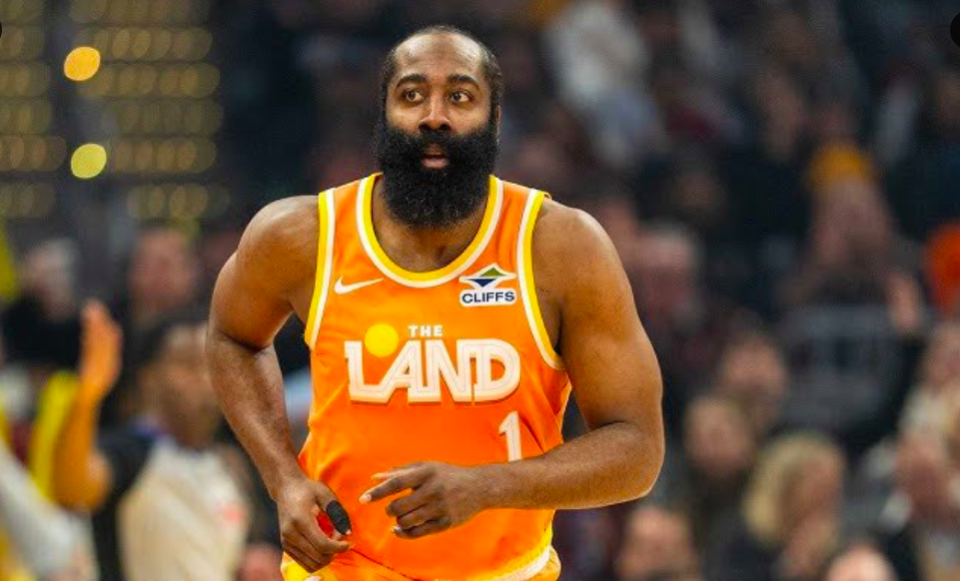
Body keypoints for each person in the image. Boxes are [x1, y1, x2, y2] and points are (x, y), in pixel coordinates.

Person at [207, 24, 665, 581]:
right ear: (383, 114)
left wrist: (487, 486)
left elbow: (637, 450)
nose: (435, 116)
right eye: (412, 94)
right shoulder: (302, 235)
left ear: (495, 119)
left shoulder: (561, 246)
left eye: (461, 96)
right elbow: (232, 336)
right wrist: (283, 479)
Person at [51, 305, 250, 581]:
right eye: (187, 364)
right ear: (149, 378)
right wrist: (87, 396)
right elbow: (71, 488)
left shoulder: (230, 464)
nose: (203, 379)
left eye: (211, 364)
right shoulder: (131, 451)